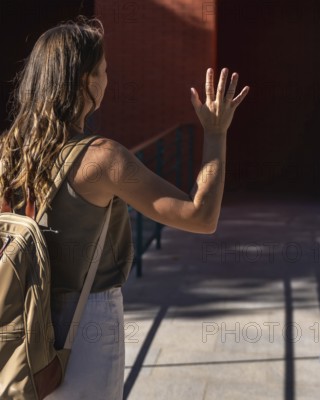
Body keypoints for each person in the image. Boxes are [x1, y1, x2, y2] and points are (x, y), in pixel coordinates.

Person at [0, 17, 248, 399]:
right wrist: (215, 133)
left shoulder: (8, 153)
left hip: (20, 314)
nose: (107, 80)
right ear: (86, 82)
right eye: (104, 71)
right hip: (86, 323)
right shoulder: (101, 158)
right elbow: (201, 217)